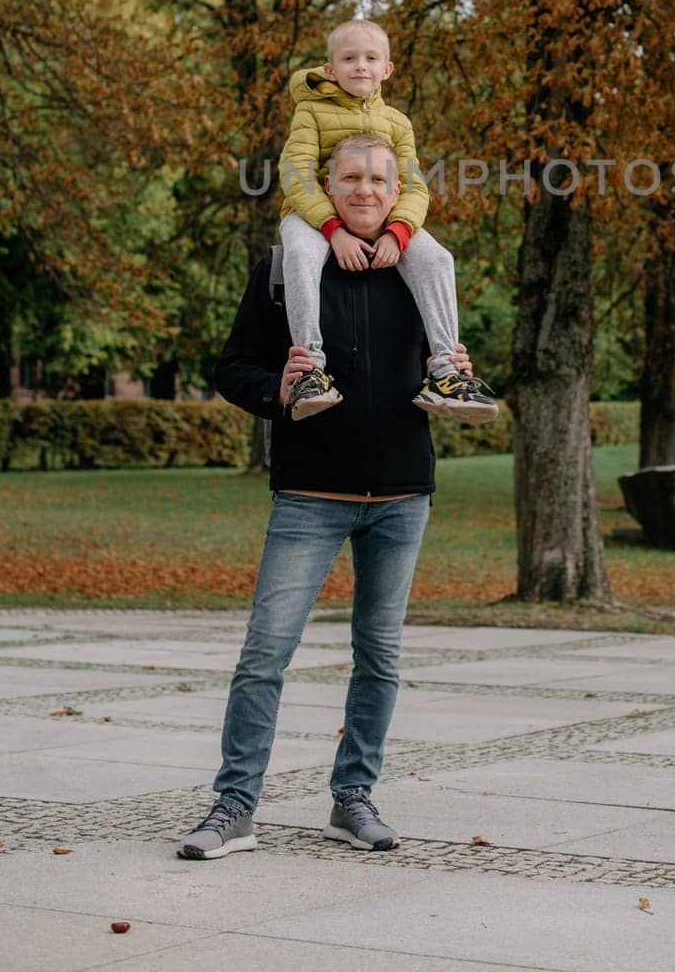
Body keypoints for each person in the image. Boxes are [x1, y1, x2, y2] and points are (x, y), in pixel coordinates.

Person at [178, 135, 474, 859]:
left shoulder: (422, 270)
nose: (366, 189)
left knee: (380, 656)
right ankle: (235, 806)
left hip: (403, 493)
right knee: (264, 653)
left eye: (379, 177)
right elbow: (231, 365)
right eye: (351, 177)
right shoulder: (288, 268)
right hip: (310, 493)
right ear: (329, 185)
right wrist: (275, 392)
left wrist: (458, 365)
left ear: (396, 185)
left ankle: (353, 797)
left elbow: (440, 371)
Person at [277, 18, 497, 424]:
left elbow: (413, 187)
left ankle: (447, 371)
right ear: (330, 69)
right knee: (301, 253)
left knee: (437, 260)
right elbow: (295, 174)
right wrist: (332, 229)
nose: (360, 66)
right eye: (349, 58)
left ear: (386, 69)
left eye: (370, 58)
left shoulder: (397, 122)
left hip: (385, 217)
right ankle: (311, 372)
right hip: (313, 215)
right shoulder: (310, 112)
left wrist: (399, 232)